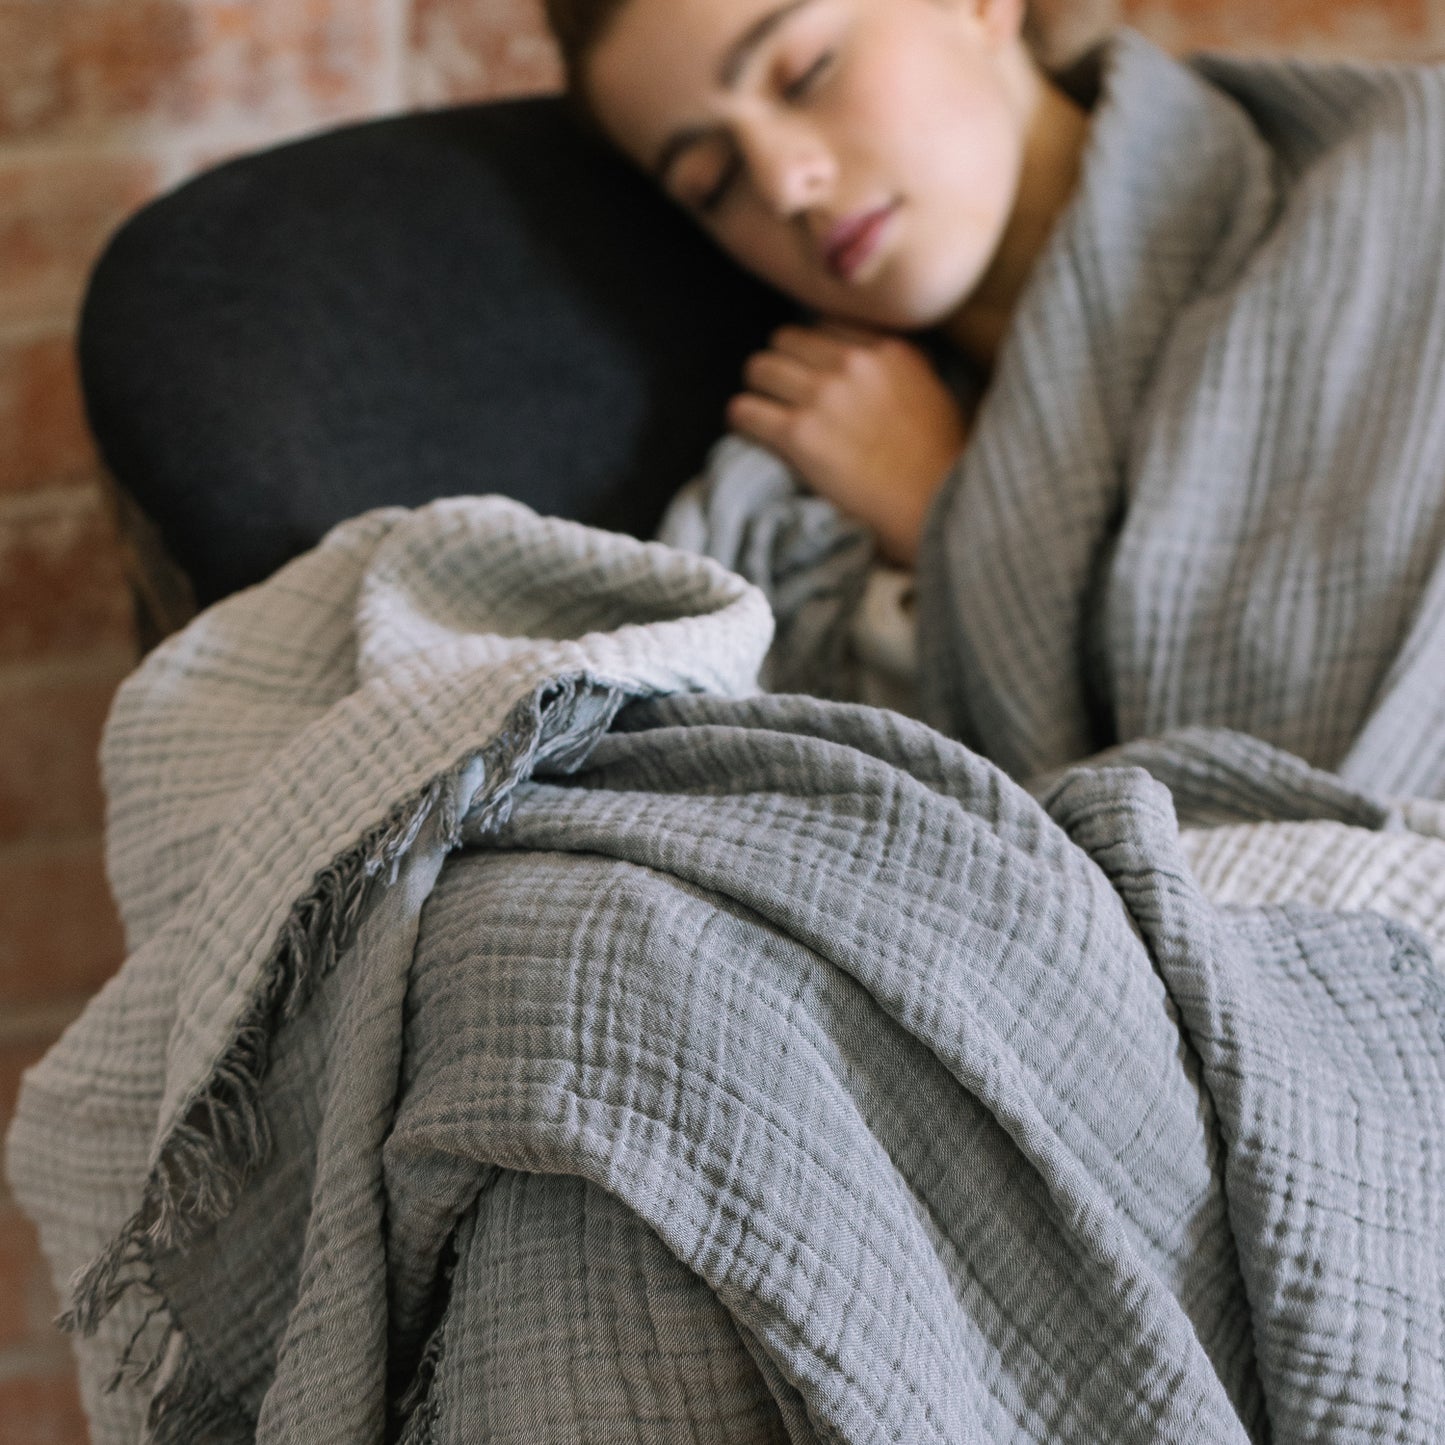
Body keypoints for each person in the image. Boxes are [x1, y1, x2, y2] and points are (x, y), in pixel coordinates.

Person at [545, 0, 1085, 567]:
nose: (782, 185)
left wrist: (939, 516)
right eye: (715, 182)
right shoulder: (788, 505)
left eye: (807, 75)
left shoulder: (1189, 222)